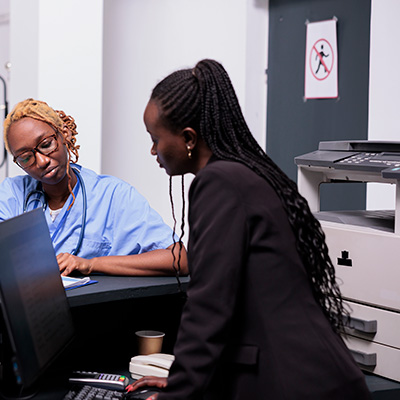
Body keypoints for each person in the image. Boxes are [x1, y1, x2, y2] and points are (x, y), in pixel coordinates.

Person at [128, 60, 371, 399]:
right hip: (316, 375)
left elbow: (209, 308)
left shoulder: (218, 183)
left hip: (296, 384)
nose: (153, 150)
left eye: (155, 139)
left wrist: (179, 393)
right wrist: (185, 380)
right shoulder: (242, 172)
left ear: (187, 138)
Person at [0, 98, 188, 277]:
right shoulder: (12, 193)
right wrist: (25, 274)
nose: (41, 162)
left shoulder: (112, 195)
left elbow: (179, 259)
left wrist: (90, 264)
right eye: (26, 158)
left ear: (64, 134)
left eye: (46, 145)